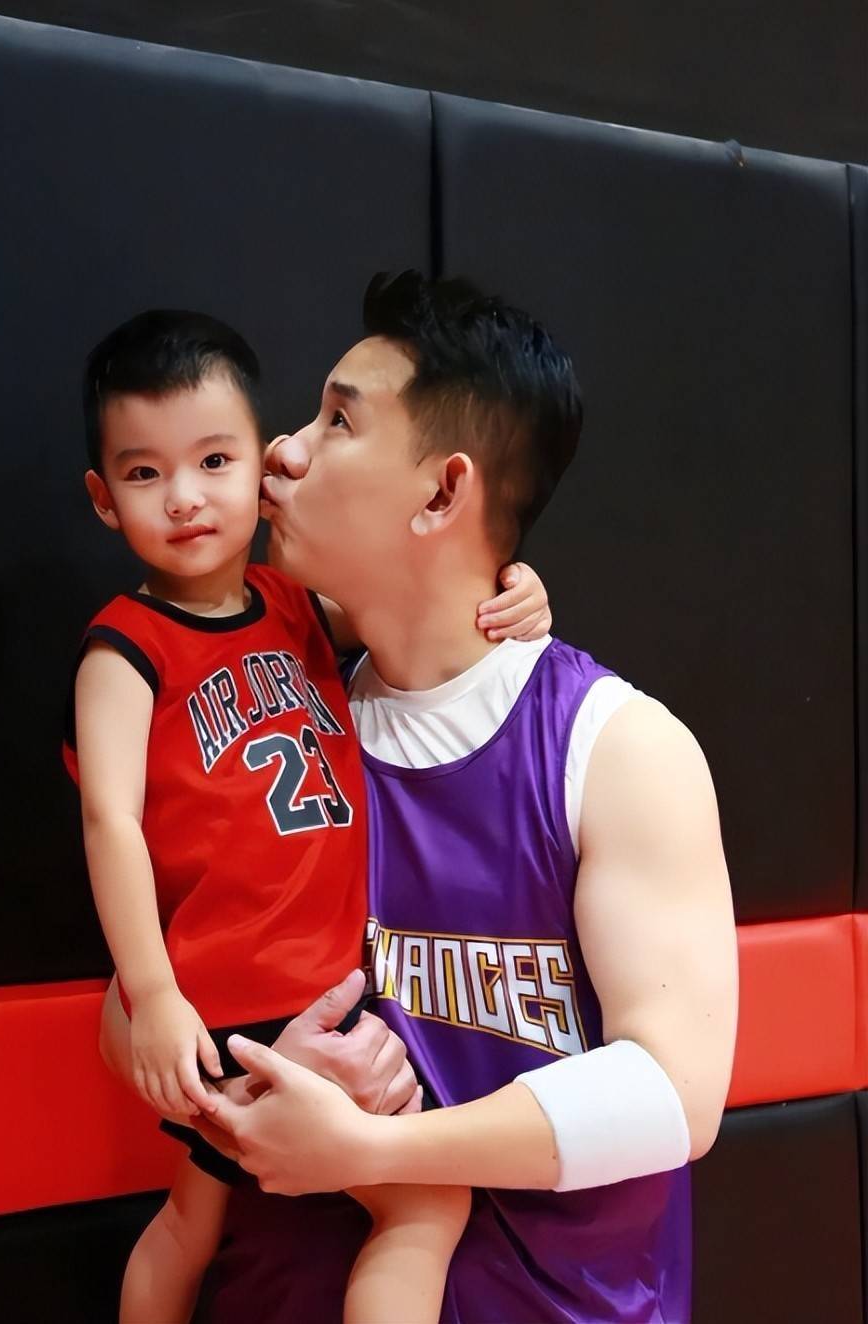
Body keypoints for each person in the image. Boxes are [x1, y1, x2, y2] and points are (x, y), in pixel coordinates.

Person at [187, 271, 739, 1324]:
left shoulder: (617, 747)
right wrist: (236, 1068)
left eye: (338, 421)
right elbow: (137, 1013)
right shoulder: (264, 727)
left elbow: (673, 1094)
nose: (281, 451)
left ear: (443, 494)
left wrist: (375, 1150)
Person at [65, 308, 550, 1323]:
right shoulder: (124, 649)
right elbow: (110, 823)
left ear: (259, 466)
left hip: (319, 990)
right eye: (146, 473)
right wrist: (154, 997)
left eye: (213, 461)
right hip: (226, 1004)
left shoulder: (295, 607)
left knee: (200, 1219)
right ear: (104, 499)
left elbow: (424, 595)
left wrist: (516, 588)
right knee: (416, 1201)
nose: (185, 496)